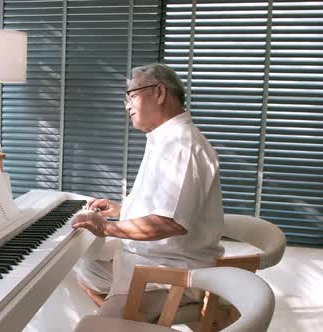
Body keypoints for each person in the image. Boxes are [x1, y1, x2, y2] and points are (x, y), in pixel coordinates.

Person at [71, 63, 225, 321]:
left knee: (95, 325)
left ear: (160, 93)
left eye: (131, 95)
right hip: (147, 263)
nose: (127, 105)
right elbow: (169, 207)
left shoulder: (181, 145)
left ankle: (127, 321)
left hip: (169, 277)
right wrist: (122, 211)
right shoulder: (164, 139)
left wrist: (106, 227)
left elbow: (169, 223)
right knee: (81, 268)